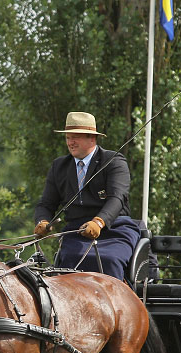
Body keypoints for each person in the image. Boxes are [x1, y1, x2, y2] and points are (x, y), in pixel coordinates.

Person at [33, 111, 140, 281]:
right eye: (68, 137)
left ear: (92, 138)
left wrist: (99, 222)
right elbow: (46, 204)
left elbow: (118, 198)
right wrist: (42, 221)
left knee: (109, 260)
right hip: (76, 233)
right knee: (67, 264)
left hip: (115, 231)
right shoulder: (59, 166)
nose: (70, 142)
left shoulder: (114, 161)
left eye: (76, 137)